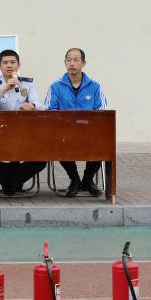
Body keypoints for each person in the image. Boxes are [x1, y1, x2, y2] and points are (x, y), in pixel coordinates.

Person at [0, 49, 46, 195]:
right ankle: (13, 181)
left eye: (13, 62)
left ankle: (10, 182)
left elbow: (38, 104)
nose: (9, 65)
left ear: (19, 65)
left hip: (24, 133)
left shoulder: (27, 84)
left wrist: (31, 105)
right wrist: (3, 90)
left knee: (41, 159)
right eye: (5, 63)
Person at [45, 47, 106, 197]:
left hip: (89, 133)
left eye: (76, 60)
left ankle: (87, 180)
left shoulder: (95, 86)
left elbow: (101, 112)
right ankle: (75, 180)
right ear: (65, 62)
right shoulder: (55, 86)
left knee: (103, 144)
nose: (72, 63)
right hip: (64, 133)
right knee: (57, 143)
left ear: (83, 63)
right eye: (69, 60)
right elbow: (50, 112)